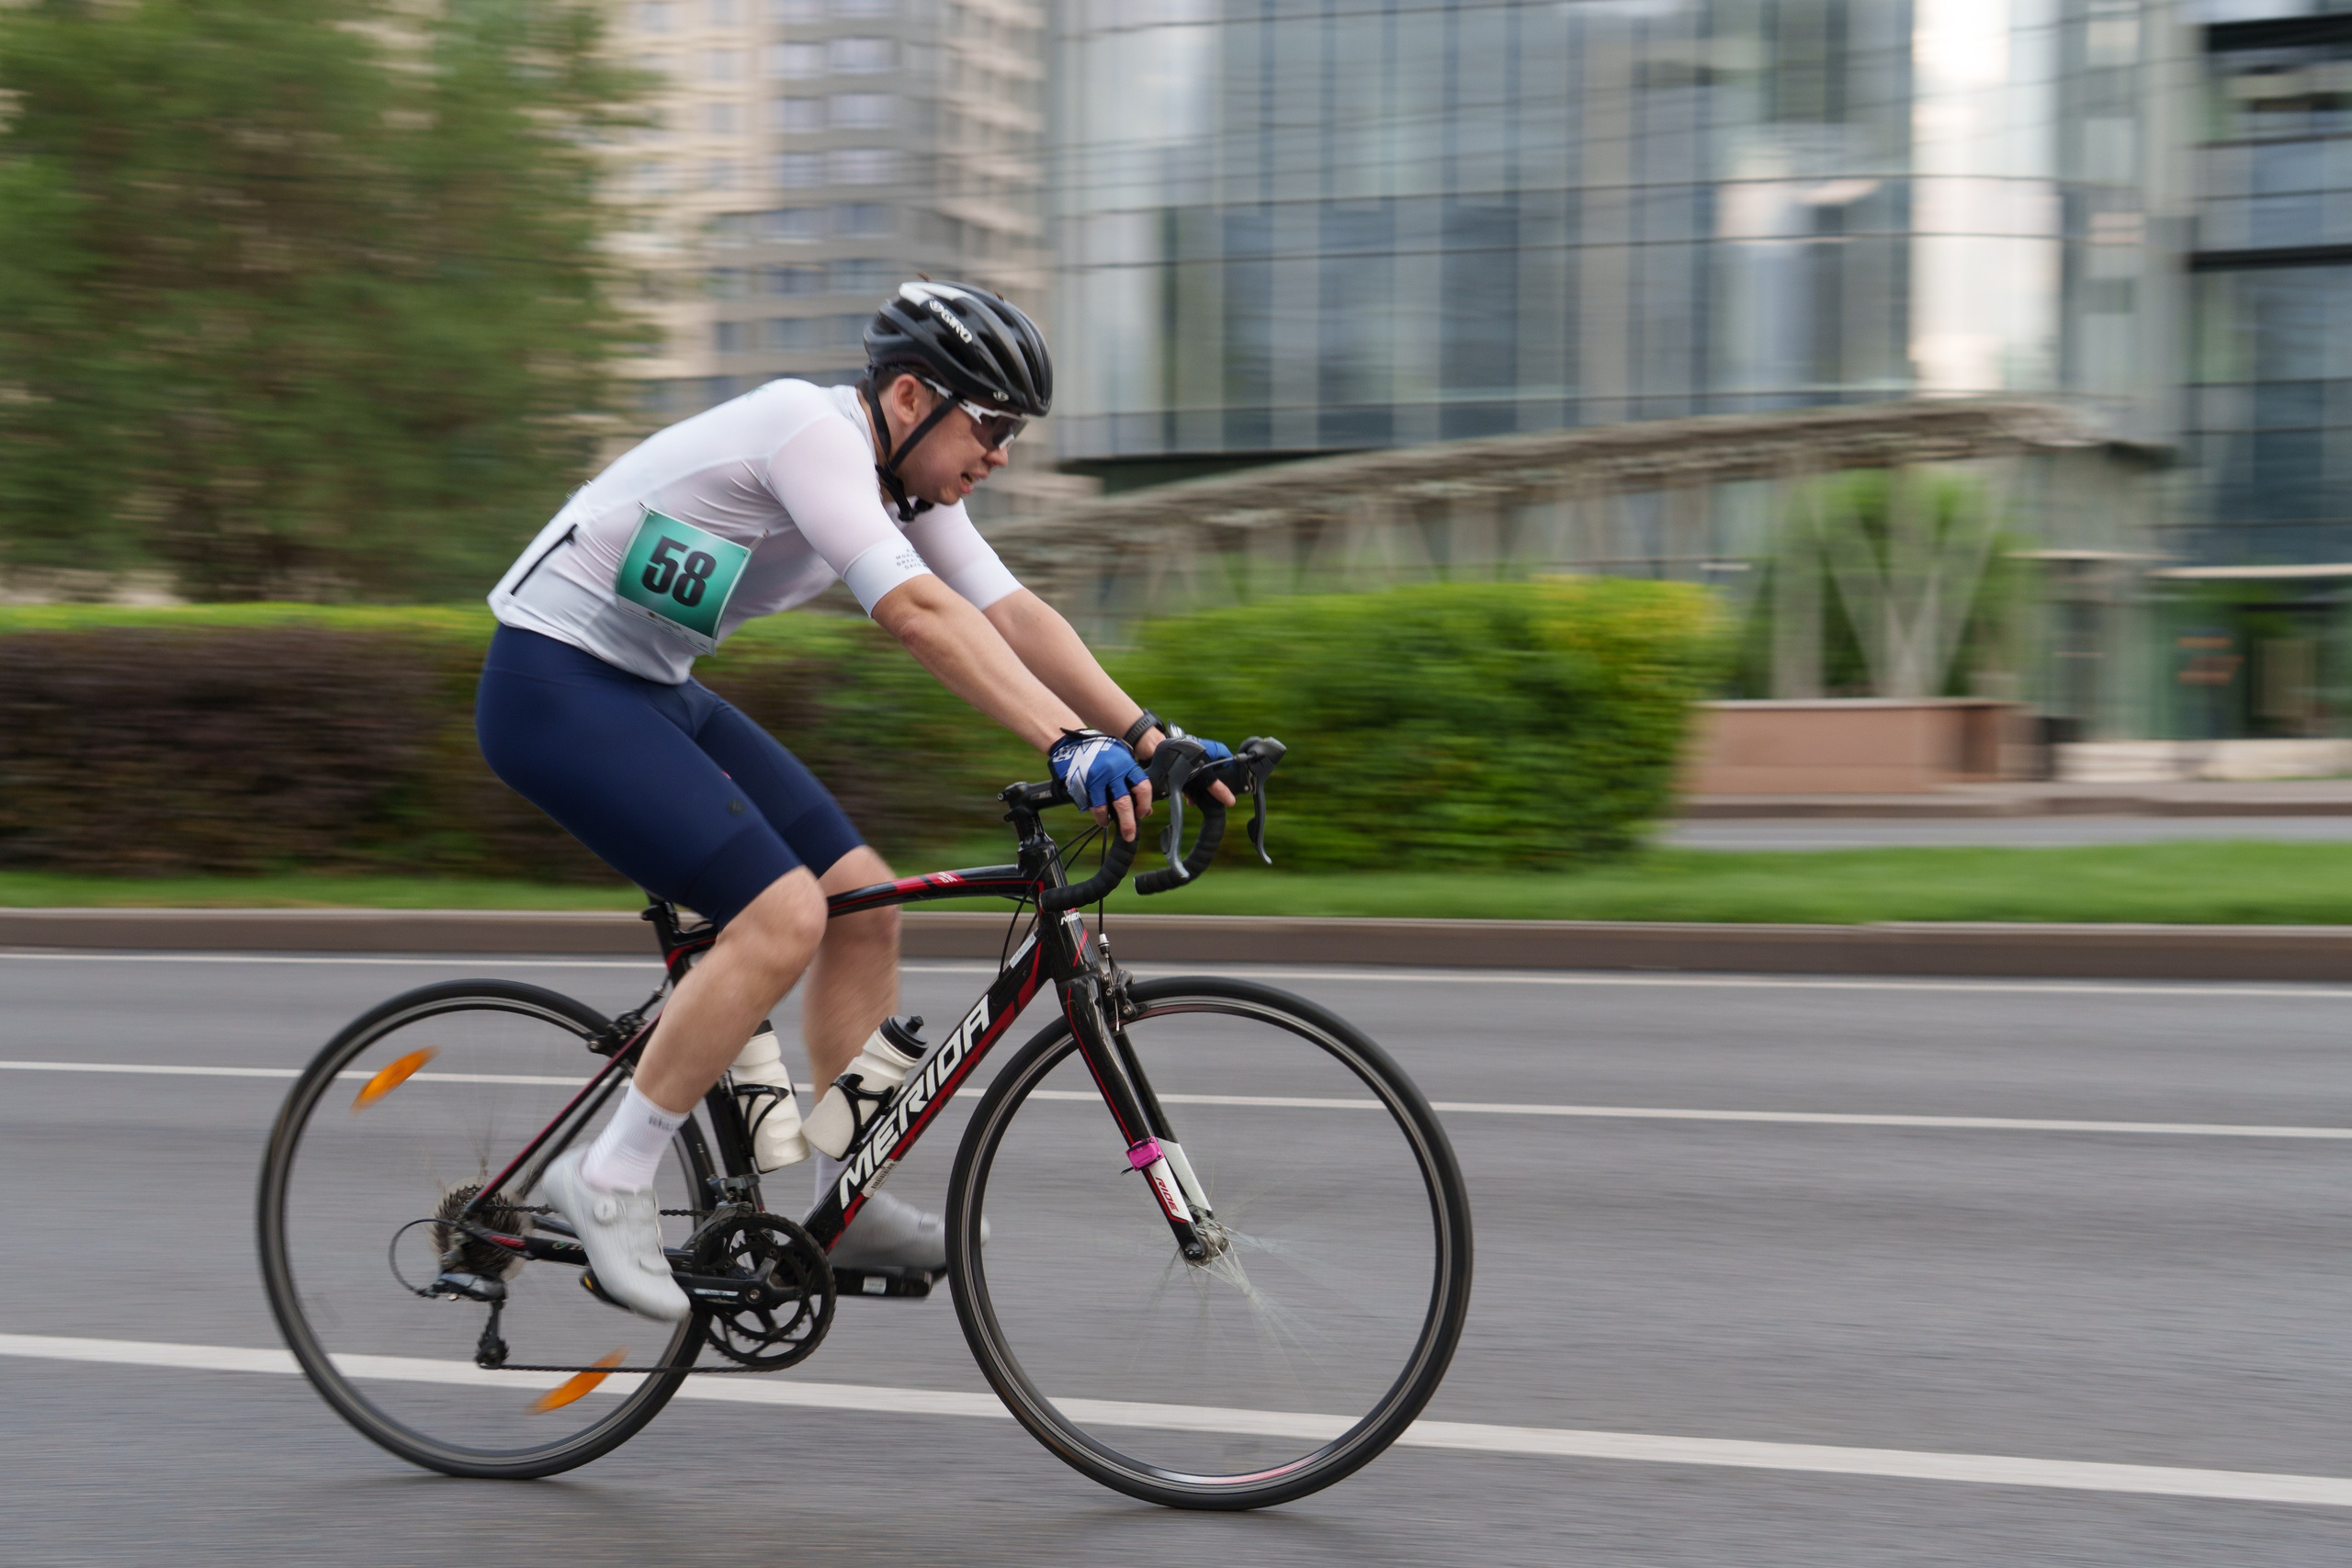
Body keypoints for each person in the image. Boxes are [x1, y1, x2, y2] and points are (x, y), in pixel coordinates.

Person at [475, 281, 1231, 1321]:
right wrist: (1064, 745)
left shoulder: (906, 492)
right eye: (993, 424)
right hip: (552, 686)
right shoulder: (809, 430)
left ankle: (851, 1189)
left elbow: (1009, 612)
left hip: (650, 687)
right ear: (913, 398)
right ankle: (607, 1176)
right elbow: (919, 614)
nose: (1003, 453)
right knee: (782, 915)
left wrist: (1152, 736)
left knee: (862, 906)